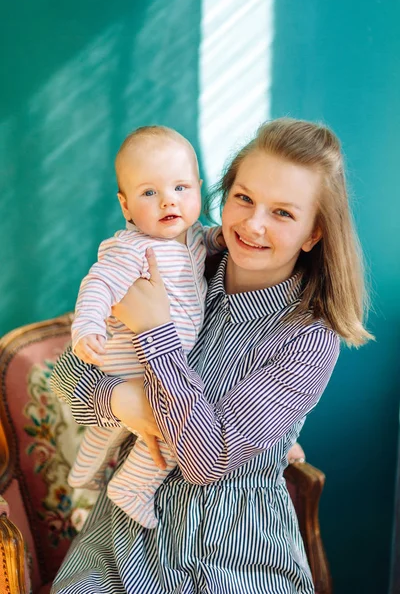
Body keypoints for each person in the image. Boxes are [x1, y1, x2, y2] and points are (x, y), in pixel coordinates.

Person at [50, 118, 373, 594]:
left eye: (283, 213)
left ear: (313, 233)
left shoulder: (308, 339)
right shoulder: (178, 259)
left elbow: (206, 460)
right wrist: (124, 403)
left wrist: (156, 332)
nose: (253, 224)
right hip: (123, 539)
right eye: (244, 198)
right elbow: (67, 381)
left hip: (236, 555)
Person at [69, 125, 223, 529]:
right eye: (149, 192)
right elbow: (99, 283)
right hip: (136, 358)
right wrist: (87, 327)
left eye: (180, 188)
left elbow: (211, 239)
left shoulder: (193, 238)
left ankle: (82, 469)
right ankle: (133, 486)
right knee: (174, 427)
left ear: (199, 189)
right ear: (125, 205)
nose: (168, 200)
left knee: (116, 430)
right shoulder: (133, 247)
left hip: (161, 361)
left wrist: (225, 236)